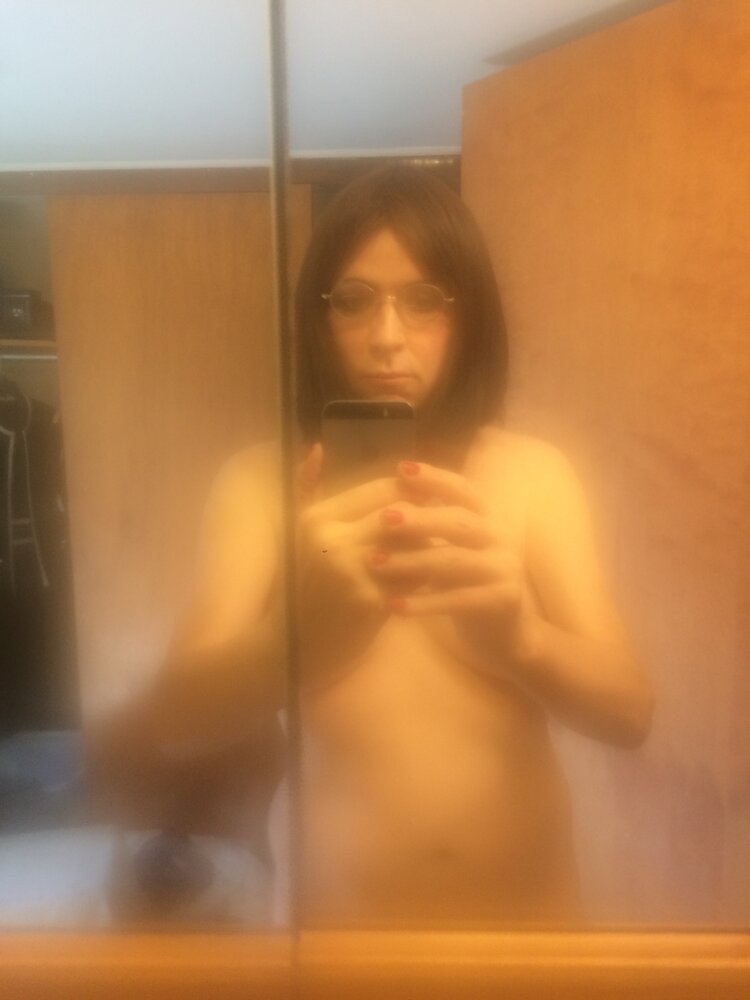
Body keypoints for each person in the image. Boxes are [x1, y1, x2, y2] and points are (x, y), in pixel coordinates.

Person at [154, 165, 653, 926]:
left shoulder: (534, 476)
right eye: (354, 300)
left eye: (424, 301)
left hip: (530, 937)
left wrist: (519, 639)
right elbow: (179, 721)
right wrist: (295, 641)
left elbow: (630, 713)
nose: (387, 337)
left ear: (469, 316)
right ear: (319, 319)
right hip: (340, 941)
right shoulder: (261, 486)